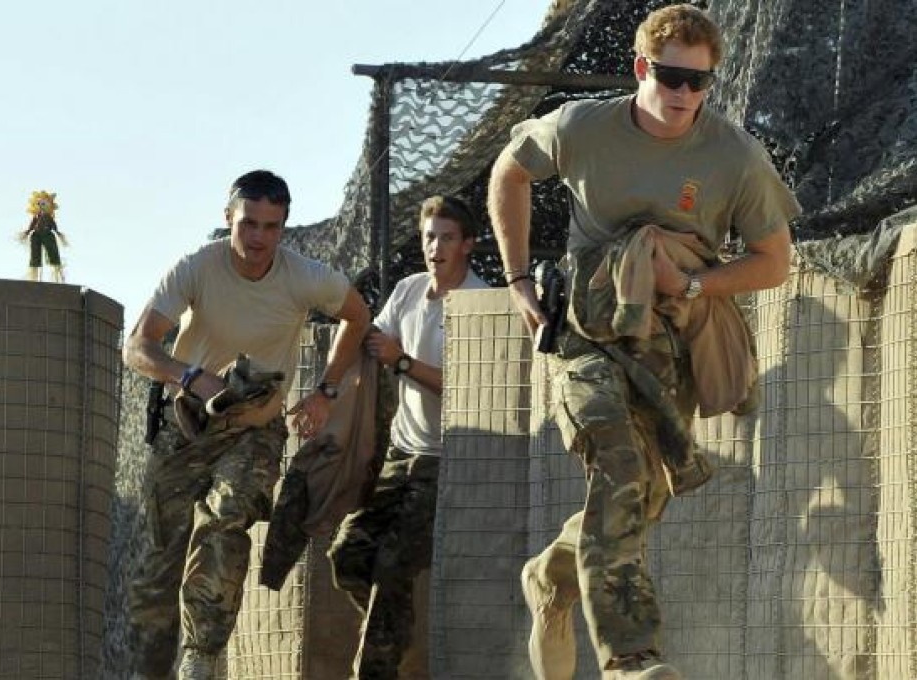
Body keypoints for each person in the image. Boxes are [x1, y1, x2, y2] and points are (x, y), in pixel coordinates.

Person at [487, 5, 801, 680]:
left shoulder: (734, 156)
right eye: (670, 77)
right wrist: (516, 280)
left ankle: (550, 576)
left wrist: (690, 285)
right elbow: (508, 173)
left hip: (670, 344)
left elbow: (774, 262)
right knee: (622, 472)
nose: (683, 94)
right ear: (640, 69)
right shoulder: (580, 127)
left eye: (698, 82)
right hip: (585, 336)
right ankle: (631, 659)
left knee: (639, 501)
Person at [122, 169, 371, 679]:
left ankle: (201, 656)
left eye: (271, 227)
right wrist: (191, 377)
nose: (258, 238)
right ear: (228, 218)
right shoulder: (196, 267)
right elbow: (137, 347)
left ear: (283, 227)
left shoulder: (304, 276)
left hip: (255, 431)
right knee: (156, 572)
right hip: (186, 428)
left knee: (226, 519)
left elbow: (358, 315)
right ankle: (147, 671)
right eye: (248, 224)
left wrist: (326, 392)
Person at [328, 195, 488, 679]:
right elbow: (370, 336)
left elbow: (468, 388)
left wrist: (401, 361)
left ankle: (378, 666)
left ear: (468, 244)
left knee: (393, 565)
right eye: (429, 237)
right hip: (401, 453)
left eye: (447, 238)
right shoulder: (408, 290)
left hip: (447, 460)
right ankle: (394, 635)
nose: (435, 247)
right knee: (348, 554)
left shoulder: (480, 303)